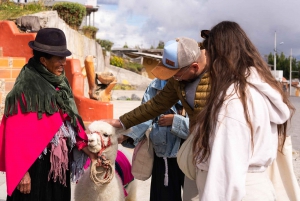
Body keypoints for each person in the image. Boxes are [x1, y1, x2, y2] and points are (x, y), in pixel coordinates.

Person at [193, 21, 295, 200]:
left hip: (239, 191)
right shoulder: (256, 89)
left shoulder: (234, 99)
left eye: (209, 54)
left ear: (220, 56)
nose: (207, 64)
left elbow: (226, 170)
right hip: (257, 189)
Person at [105, 37, 209, 201]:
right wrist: (123, 126)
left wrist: (176, 121)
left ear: (194, 67)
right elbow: (151, 108)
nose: (173, 79)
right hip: (164, 152)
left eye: (175, 74)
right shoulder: (162, 84)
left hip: (193, 153)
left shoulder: (214, 84)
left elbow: (207, 127)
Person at [0, 28, 96, 201]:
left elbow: (70, 120)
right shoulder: (26, 88)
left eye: (64, 57)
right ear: (43, 60)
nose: (63, 62)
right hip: (35, 168)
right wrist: (22, 173)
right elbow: (14, 134)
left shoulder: (60, 82)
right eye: (59, 58)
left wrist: (87, 148)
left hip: (59, 166)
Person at [124, 78, 189, 201]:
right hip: (163, 156)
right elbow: (144, 116)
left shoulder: (198, 86)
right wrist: (126, 135)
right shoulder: (155, 86)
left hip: (190, 155)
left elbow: (203, 125)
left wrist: (176, 121)